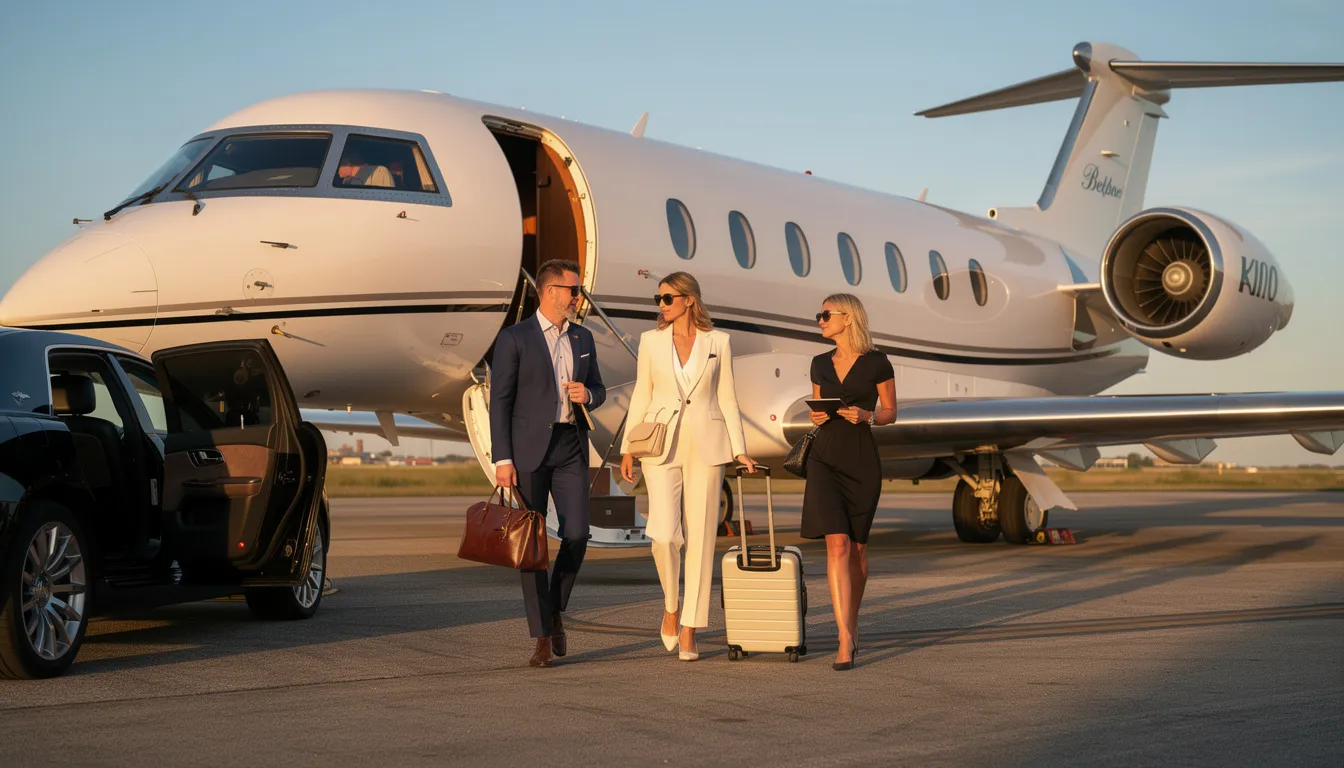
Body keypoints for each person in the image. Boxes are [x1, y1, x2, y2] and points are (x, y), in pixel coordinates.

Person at [619, 271, 757, 662]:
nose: (661, 305)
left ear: (689, 300)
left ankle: (690, 627)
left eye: (667, 298)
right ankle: (671, 605)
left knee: (701, 538)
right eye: (659, 299)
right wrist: (628, 447)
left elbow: (727, 399)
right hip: (660, 443)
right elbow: (641, 393)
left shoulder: (719, 342)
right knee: (664, 534)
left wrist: (740, 450)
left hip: (707, 446)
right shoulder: (651, 341)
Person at [490, 259, 606, 667]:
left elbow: (599, 388)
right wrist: (503, 459)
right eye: (573, 290)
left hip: (571, 445)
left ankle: (554, 608)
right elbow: (500, 402)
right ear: (550, 291)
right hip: (527, 452)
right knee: (532, 546)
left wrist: (587, 395)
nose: (578, 297)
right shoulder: (514, 338)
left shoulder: (582, 336)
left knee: (577, 533)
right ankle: (541, 636)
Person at [801, 293, 896, 671]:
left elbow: (890, 412)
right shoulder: (818, 363)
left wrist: (867, 415)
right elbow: (817, 406)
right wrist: (817, 417)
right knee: (837, 544)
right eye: (820, 315)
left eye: (826, 315)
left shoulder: (877, 362)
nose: (820, 320)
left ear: (848, 318)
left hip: (861, 460)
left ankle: (852, 624)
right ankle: (843, 637)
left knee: (857, 549)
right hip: (824, 458)